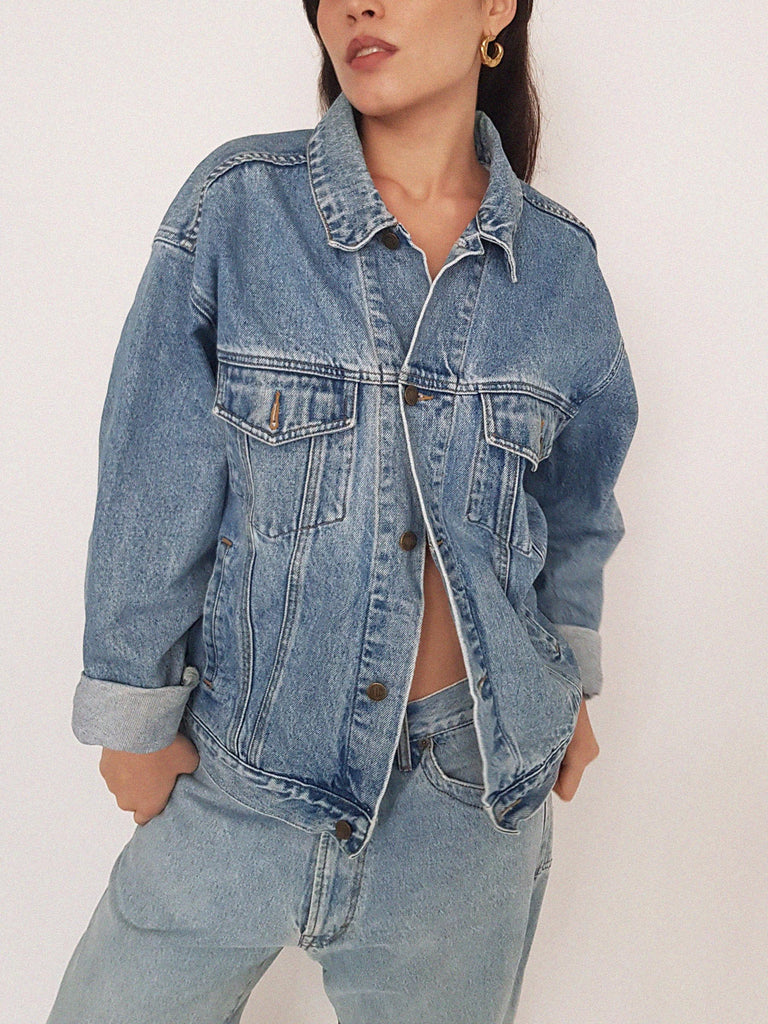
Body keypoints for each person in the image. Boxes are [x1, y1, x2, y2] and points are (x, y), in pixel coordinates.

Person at [46, 1, 638, 1022]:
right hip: (240, 776)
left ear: (496, 8)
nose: (354, 5)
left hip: (468, 806)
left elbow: (576, 507)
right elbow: (153, 470)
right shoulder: (239, 209)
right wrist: (132, 717)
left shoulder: (560, 268)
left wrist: (570, 684)